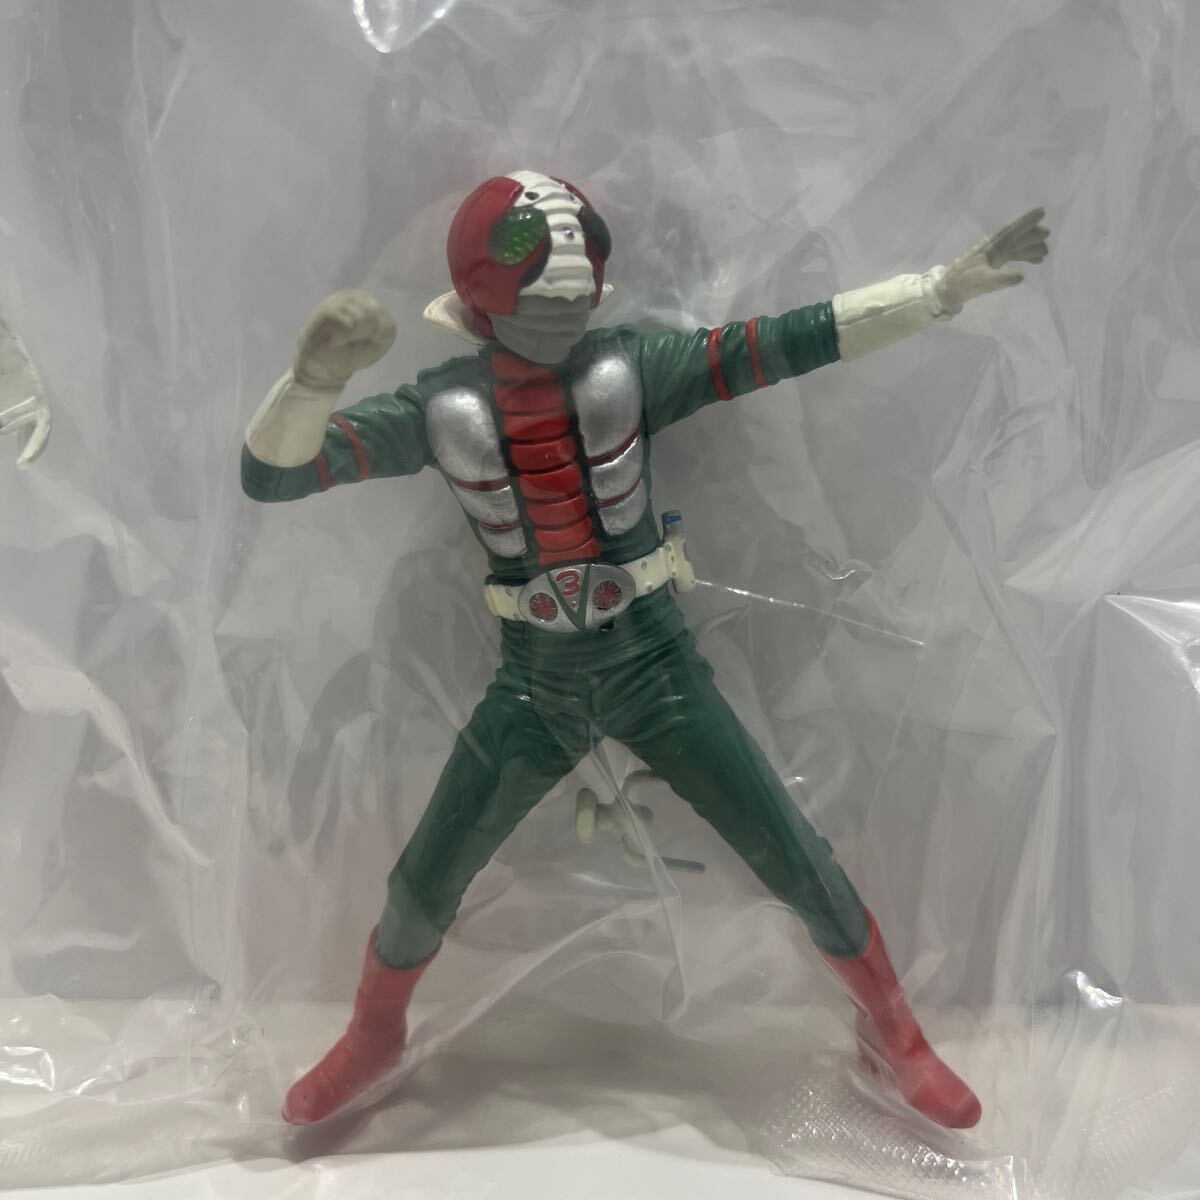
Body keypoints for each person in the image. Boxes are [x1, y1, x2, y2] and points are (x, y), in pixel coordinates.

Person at [241, 170, 1049, 1129]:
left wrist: (938, 291)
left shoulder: (629, 371)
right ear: (480, 299)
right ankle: (376, 1032)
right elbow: (273, 476)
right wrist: (312, 381)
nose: (559, 317)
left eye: (572, 297)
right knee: (423, 882)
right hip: (533, 687)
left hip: (656, 671)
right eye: (536, 299)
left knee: (795, 856)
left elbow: (786, 342)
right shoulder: (442, 408)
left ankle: (896, 1036)